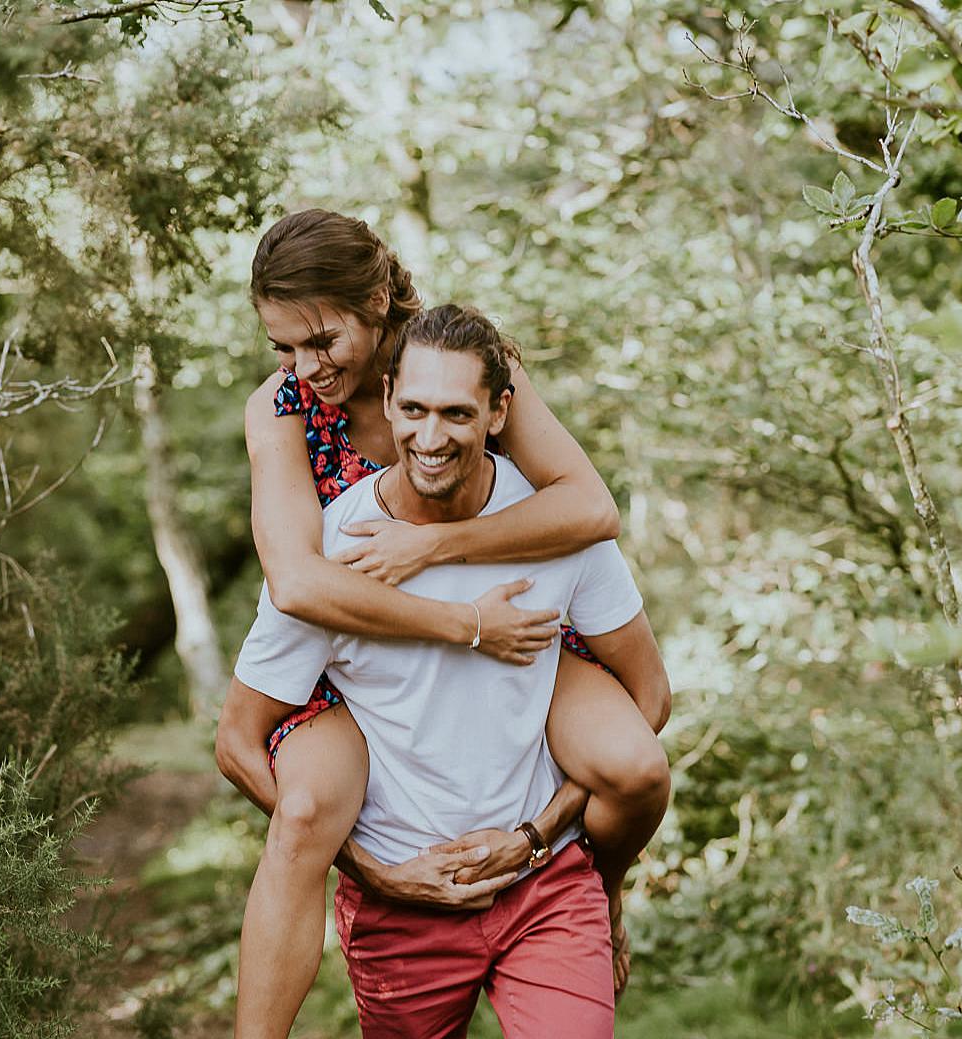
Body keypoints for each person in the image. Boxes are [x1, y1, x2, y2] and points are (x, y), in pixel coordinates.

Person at [215, 210, 670, 1038]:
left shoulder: (460, 362)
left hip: (502, 620)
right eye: (282, 346)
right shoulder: (281, 409)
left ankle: (591, 891)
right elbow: (295, 578)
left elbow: (588, 504)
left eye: (320, 339)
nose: (303, 367)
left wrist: (437, 547)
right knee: (307, 810)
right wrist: (459, 621)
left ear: (379, 298)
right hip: (354, 641)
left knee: (633, 764)